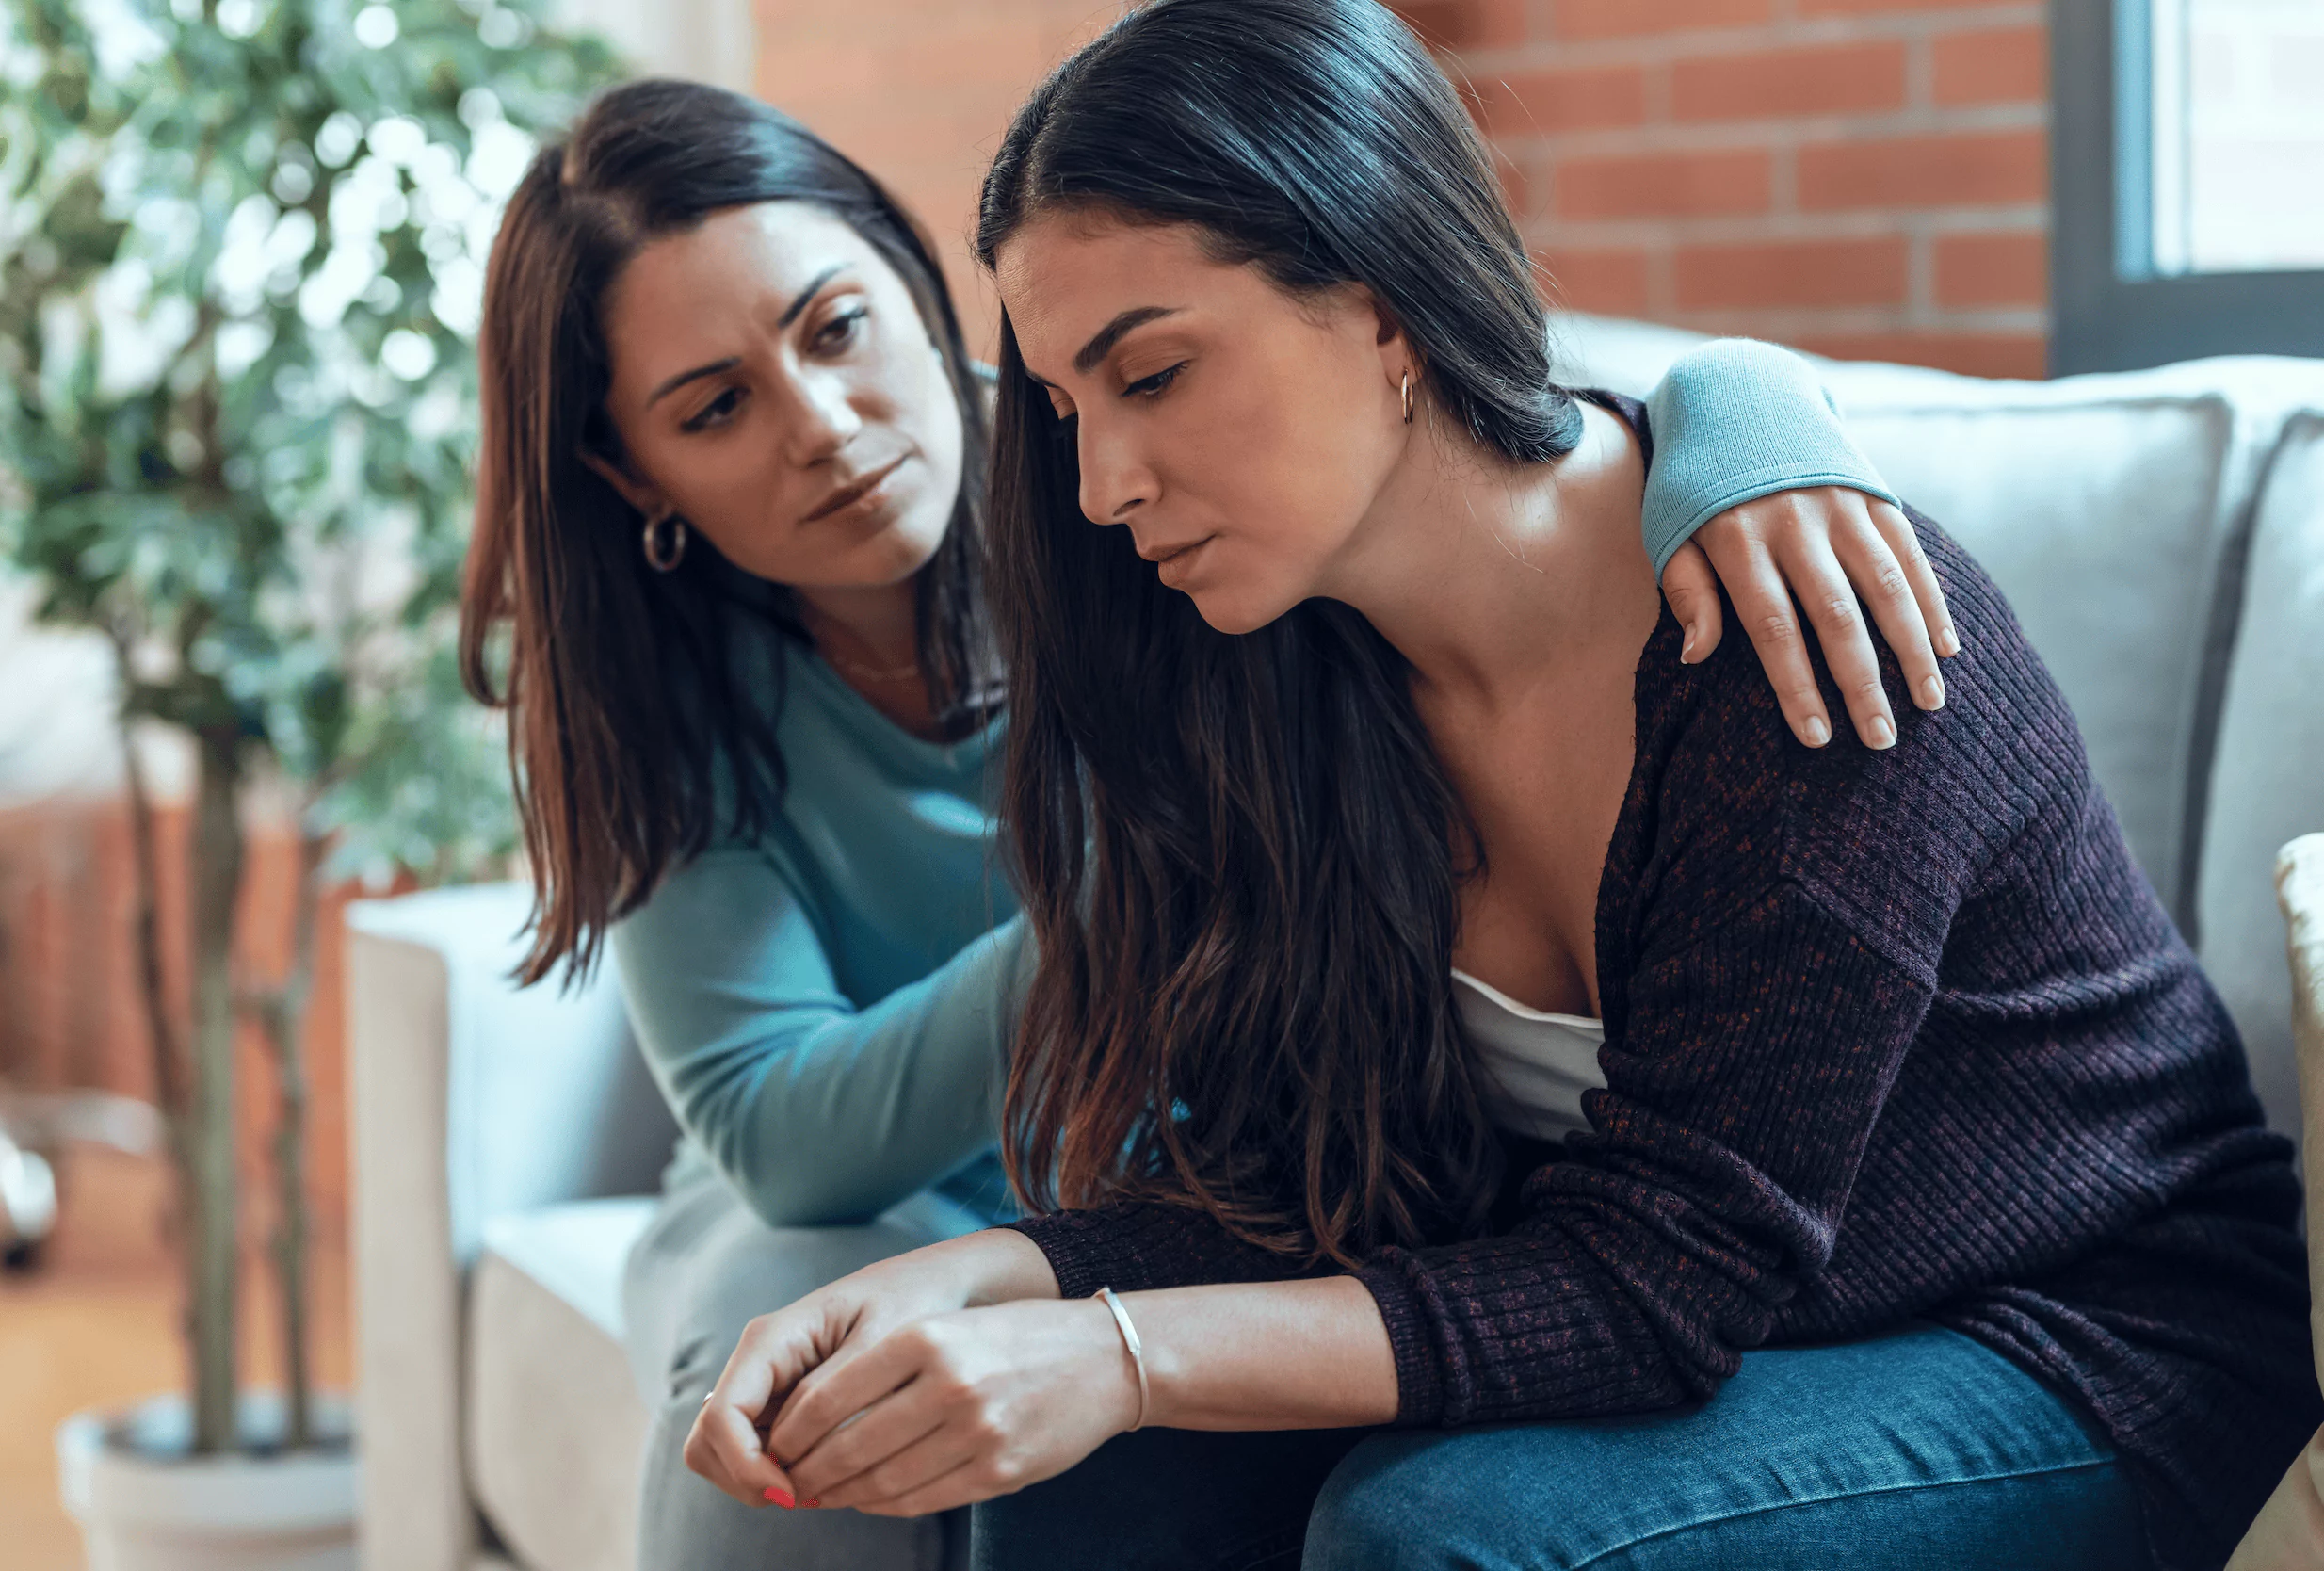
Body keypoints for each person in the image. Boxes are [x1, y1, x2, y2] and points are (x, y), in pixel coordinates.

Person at [672, 8, 2320, 1571]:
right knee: (1096, 1460)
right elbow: (1294, 1196)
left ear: (1382, 302)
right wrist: (999, 1274)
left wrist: (1118, 1350)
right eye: (1065, 410)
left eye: (1154, 375)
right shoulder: (1289, 678)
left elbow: (1668, 1279)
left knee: (1435, 1528)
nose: (1104, 485)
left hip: (2075, 1338)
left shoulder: (1791, 630)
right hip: (1748, 1323)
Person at [464, 75, 1965, 1571]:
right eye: (716, 407)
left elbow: (1462, 405)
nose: (825, 428)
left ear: (912, 286)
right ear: (628, 470)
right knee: (789, 1359)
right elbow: (785, 1142)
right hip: (943, 1185)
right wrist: (1161, 900)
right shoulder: (676, 678)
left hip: (1200, 1156)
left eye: (836, 327)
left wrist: (1752, 411)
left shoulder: (1141, 490)